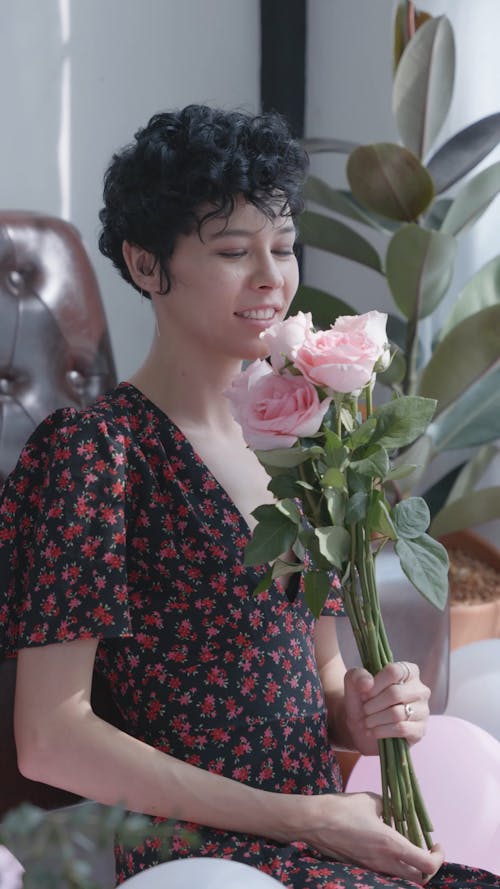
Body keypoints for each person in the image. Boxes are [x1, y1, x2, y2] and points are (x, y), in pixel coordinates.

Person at [0, 105, 498, 889]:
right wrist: (303, 817)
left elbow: (325, 680)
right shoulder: (94, 453)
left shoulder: (304, 442)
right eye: (234, 250)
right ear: (145, 264)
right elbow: (50, 738)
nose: (271, 276)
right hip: (209, 861)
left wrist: (364, 712)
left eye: (284, 247)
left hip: (334, 838)